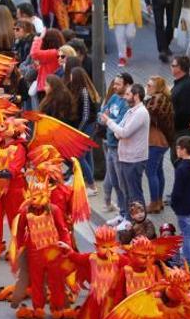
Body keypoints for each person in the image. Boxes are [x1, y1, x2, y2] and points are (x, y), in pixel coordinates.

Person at [100, 80, 147, 225]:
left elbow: (123, 132)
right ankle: (125, 215)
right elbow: (118, 132)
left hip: (134, 159)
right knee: (124, 189)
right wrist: (117, 130)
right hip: (125, 157)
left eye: (127, 94)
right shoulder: (130, 111)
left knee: (134, 193)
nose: (124, 97)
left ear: (136, 96)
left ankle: (138, 223)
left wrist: (109, 122)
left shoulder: (141, 113)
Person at [171, 135, 190, 270]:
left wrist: (173, 203)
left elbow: (177, 189)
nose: (176, 150)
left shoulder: (182, 168)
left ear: (184, 150)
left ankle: (187, 262)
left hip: (183, 205)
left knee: (186, 235)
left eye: (178, 148)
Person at [144, 76, 173, 213]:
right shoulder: (164, 98)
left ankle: (154, 202)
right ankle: (159, 201)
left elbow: (146, 117)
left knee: (150, 171)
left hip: (156, 141)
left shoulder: (156, 100)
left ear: (157, 88)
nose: (147, 87)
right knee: (158, 171)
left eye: (150, 85)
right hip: (162, 141)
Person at [69, 67, 100, 193]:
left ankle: (92, 185)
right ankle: (89, 182)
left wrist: (79, 131)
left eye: (72, 76)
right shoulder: (83, 91)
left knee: (79, 156)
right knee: (87, 155)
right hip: (88, 126)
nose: (70, 78)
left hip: (88, 127)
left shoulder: (84, 92)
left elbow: (86, 115)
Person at [107, 0, 142, 68]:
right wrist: (111, 21)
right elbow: (111, 4)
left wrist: (138, 20)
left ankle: (128, 47)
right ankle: (122, 57)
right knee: (120, 39)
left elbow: (136, 3)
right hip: (118, 18)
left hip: (130, 17)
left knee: (130, 35)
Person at [170, 55, 190, 163]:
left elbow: (185, 112)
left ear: (180, 68)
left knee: (179, 161)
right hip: (177, 131)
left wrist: (172, 123)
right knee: (176, 160)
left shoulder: (187, 86)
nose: (171, 67)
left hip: (182, 131)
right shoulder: (180, 83)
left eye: (173, 65)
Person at [29, 28, 64, 102]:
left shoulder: (54, 52)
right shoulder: (56, 52)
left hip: (47, 88)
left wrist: (39, 39)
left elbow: (34, 53)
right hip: (47, 87)